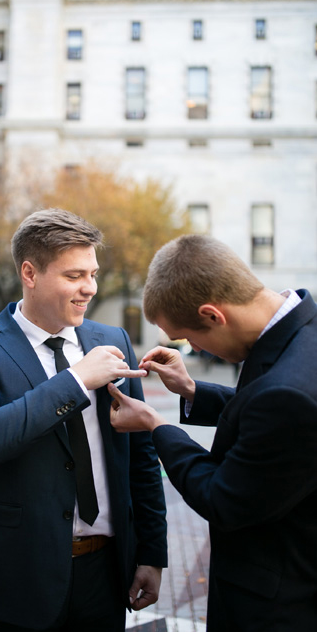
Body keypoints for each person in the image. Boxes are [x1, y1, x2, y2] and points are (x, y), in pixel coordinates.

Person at [0, 208, 167, 632]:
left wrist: (152, 552)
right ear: (30, 273)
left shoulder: (112, 340)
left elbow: (140, 456)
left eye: (93, 274)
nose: (90, 289)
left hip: (105, 571)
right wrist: (76, 380)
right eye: (74, 276)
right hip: (14, 574)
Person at [109, 234, 317, 632]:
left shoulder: (290, 393)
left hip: (279, 608)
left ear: (213, 315)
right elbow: (266, 417)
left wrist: (157, 425)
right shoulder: (299, 333)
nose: (197, 350)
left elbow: (222, 499)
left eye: (190, 339)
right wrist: (192, 391)